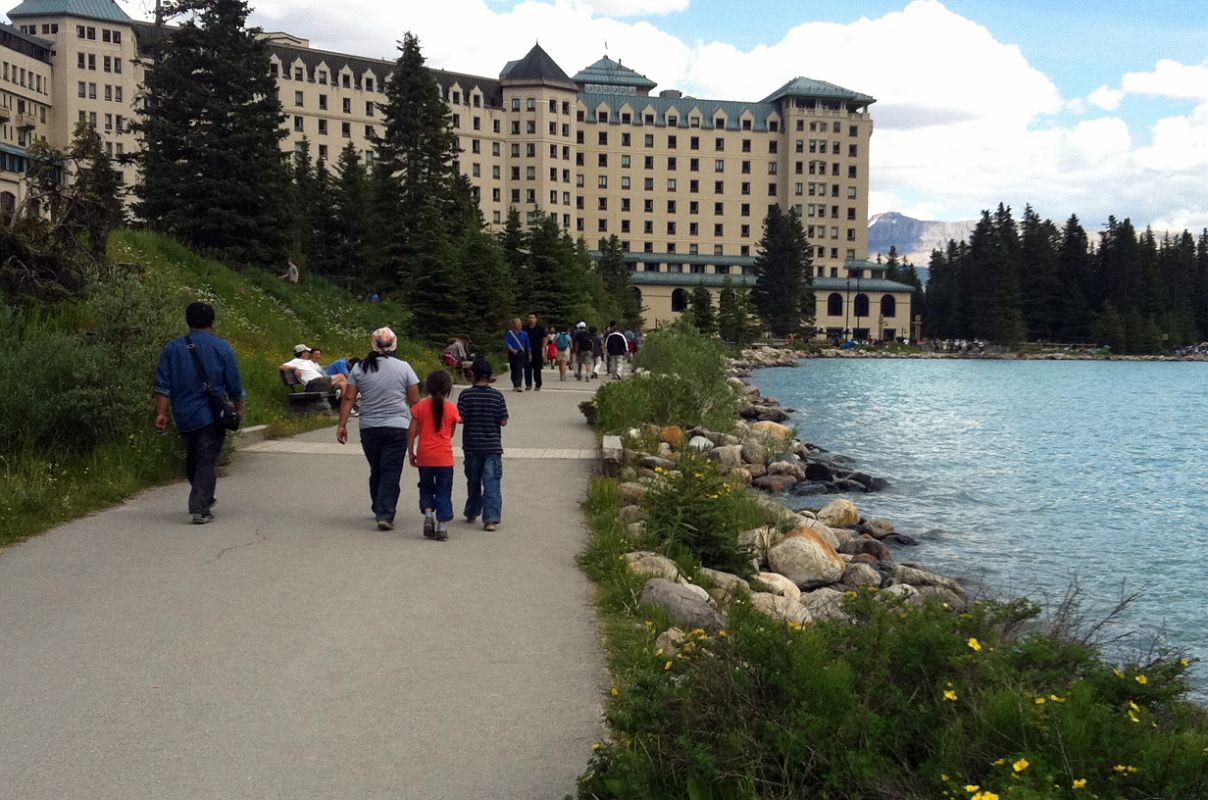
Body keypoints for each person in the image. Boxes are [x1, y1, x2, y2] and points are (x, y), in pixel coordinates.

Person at [153, 301, 246, 525]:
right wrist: (237, 411)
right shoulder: (222, 348)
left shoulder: (172, 348)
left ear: (187, 321)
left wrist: (161, 413)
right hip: (212, 415)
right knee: (206, 459)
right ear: (212, 322)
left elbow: (162, 384)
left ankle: (202, 496)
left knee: (194, 457)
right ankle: (200, 507)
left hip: (184, 414)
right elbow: (235, 385)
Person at [337, 327, 421, 531]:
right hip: (397, 426)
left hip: (369, 427)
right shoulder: (404, 368)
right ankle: (385, 513)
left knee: (377, 468)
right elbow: (415, 401)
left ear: (373, 344)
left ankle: (378, 505)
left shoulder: (359, 368)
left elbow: (348, 397)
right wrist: (419, 425)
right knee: (390, 470)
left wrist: (342, 425)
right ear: (394, 345)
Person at [408, 370, 460, 542]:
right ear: (448, 389)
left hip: (425, 456)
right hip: (444, 458)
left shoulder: (419, 407)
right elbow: (451, 432)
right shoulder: (452, 409)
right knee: (444, 491)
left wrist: (411, 452)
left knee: (426, 486)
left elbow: (411, 432)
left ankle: (428, 515)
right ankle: (442, 527)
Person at [456, 358, 508, 531]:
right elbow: (503, 421)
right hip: (492, 447)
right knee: (492, 482)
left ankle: (472, 511)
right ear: (490, 375)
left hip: (471, 446)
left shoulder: (465, 395)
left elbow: (460, 419)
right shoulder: (497, 396)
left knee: (473, 481)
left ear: (472, 374)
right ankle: (491, 519)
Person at [281, 344, 347, 394]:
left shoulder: (306, 362)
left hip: (318, 384)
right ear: (303, 353)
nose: (309, 353)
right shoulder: (296, 361)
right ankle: (353, 398)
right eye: (307, 352)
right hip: (313, 384)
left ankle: (348, 405)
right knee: (341, 376)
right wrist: (295, 368)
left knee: (343, 384)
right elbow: (282, 367)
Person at [504, 318, 529, 393]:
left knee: (519, 369)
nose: (519, 325)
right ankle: (515, 384)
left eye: (520, 323)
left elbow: (527, 344)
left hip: (521, 353)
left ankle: (519, 385)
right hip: (512, 353)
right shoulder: (509, 333)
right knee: (513, 369)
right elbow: (507, 343)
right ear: (514, 325)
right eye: (517, 323)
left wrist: (530, 353)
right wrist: (511, 349)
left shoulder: (524, 334)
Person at [524, 313, 547, 391]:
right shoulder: (525, 328)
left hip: (537, 351)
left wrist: (543, 347)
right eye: (529, 317)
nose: (531, 319)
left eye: (532, 317)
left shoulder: (540, 328)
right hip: (527, 351)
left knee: (537, 369)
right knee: (527, 369)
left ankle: (538, 384)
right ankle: (528, 384)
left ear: (536, 319)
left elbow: (545, 337)